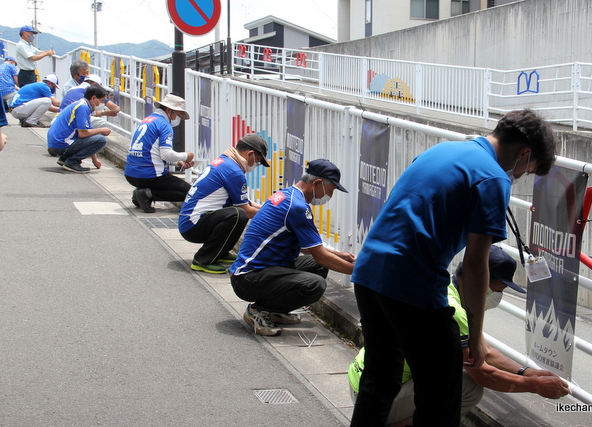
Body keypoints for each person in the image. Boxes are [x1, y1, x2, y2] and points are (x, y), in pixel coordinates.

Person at [349, 109, 557, 427]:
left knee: (381, 378)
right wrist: (474, 335)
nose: (520, 175)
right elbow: (474, 266)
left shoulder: (444, 149)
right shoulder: (493, 178)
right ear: (524, 153)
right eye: (528, 169)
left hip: (369, 271)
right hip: (413, 284)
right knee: (441, 396)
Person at [348, 246, 569, 427]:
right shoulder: (456, 311)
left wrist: (528, 372)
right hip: (382, 396)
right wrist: (534, 385)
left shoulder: (446, 287)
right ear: (479, 279)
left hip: (367, 384)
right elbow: (483, 375)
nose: (497, 296)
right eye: (497, 288)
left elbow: (485, 351)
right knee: (468, 386)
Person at [229, 159, 356, 337]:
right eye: (331, 190)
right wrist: (360, 272)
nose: (330, 196)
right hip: (248, 279)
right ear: (317, 183)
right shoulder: (297, 207)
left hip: (259, 271)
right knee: (315, 284)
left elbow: (309, 249)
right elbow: (322, 256)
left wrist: (339, 255)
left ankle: (275, 310)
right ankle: (259, 310)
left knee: (317, 266)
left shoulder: (287, 195)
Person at [179, 134, 270, 274]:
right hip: (193, 226)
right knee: (239, 214)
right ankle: (203, 260)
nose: (256, 165)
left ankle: (221, 252)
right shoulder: (234, 172)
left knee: (239, 212)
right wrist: (275, 216)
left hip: (191, 221)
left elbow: (245, 202)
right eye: (257, 161)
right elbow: (246, 209)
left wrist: (268, 208)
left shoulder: (225, 162)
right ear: (250, 154)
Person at [124, 93, 195, 213]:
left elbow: (153, 153)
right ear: (169, 110)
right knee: (190, 192)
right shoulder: (164, 125)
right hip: (149, 175)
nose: (177, 118)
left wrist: (179, 162)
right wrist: (186, 156)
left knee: (177, 186)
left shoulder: (147, 120)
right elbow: (166, 154)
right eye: (177, 114)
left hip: (131, 173)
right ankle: (148, 194)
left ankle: (140, 195)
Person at [46, 85, 111, 173]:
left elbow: (87, 134)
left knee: (95, 135)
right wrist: (101, 130)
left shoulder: (81, 104)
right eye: (102, 101)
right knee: (101, 139)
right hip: (61, 144)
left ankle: (65, 158)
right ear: (94, 98)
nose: (102, 104)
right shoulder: (83, 107)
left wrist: (94, 160)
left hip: (56, 143)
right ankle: (72, 162)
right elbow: (83, 134)